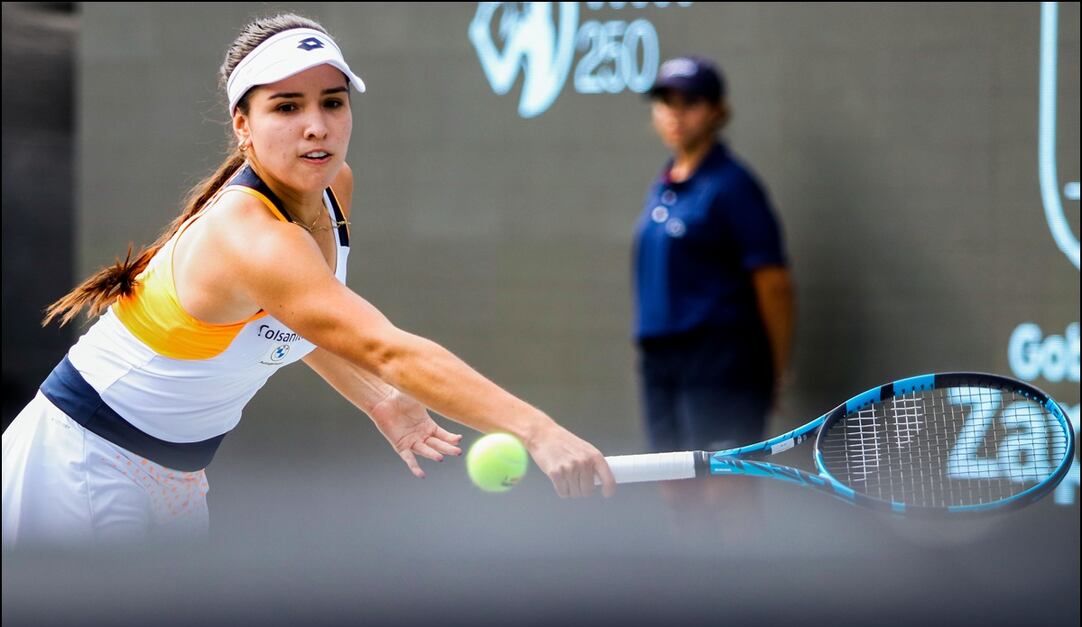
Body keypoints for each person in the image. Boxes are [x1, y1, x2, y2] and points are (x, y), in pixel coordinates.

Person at [1, 13, 616, 548]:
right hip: (81, 461)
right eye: (287, 107)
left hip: (174, 471)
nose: (317, 126)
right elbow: (386, 349)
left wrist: (379, 400)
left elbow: (300, 319)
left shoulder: (332, 186)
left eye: (332, 102)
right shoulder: (251, 236)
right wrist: (538, 431)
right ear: (243, 125)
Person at [633, 56, 795, 527]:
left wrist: (774, 370)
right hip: (661, 363)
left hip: (722, 362)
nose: (675, 113)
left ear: (717, 111)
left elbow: (775, 285)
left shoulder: (734, 187)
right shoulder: (664, 184)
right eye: (665, 102)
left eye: (689, 103)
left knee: (727, 491)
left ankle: (746, 577)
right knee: (674, 489)